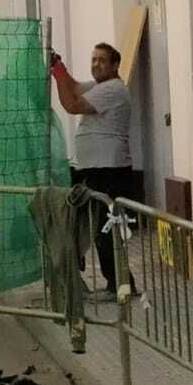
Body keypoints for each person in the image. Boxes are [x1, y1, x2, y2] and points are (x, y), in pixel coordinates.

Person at [51, 43, 139, 298]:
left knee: (105, 229)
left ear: (114, 66)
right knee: (93, 226)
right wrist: (60, 67)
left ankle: (121, 286)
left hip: (109, 170)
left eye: (102, 60)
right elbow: (75, 87)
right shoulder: (100, 87)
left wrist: (57, 75)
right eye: (93, 59)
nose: (96, 64)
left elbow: (72, 104)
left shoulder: (112, 89)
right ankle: (118, 283)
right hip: (95, 168)